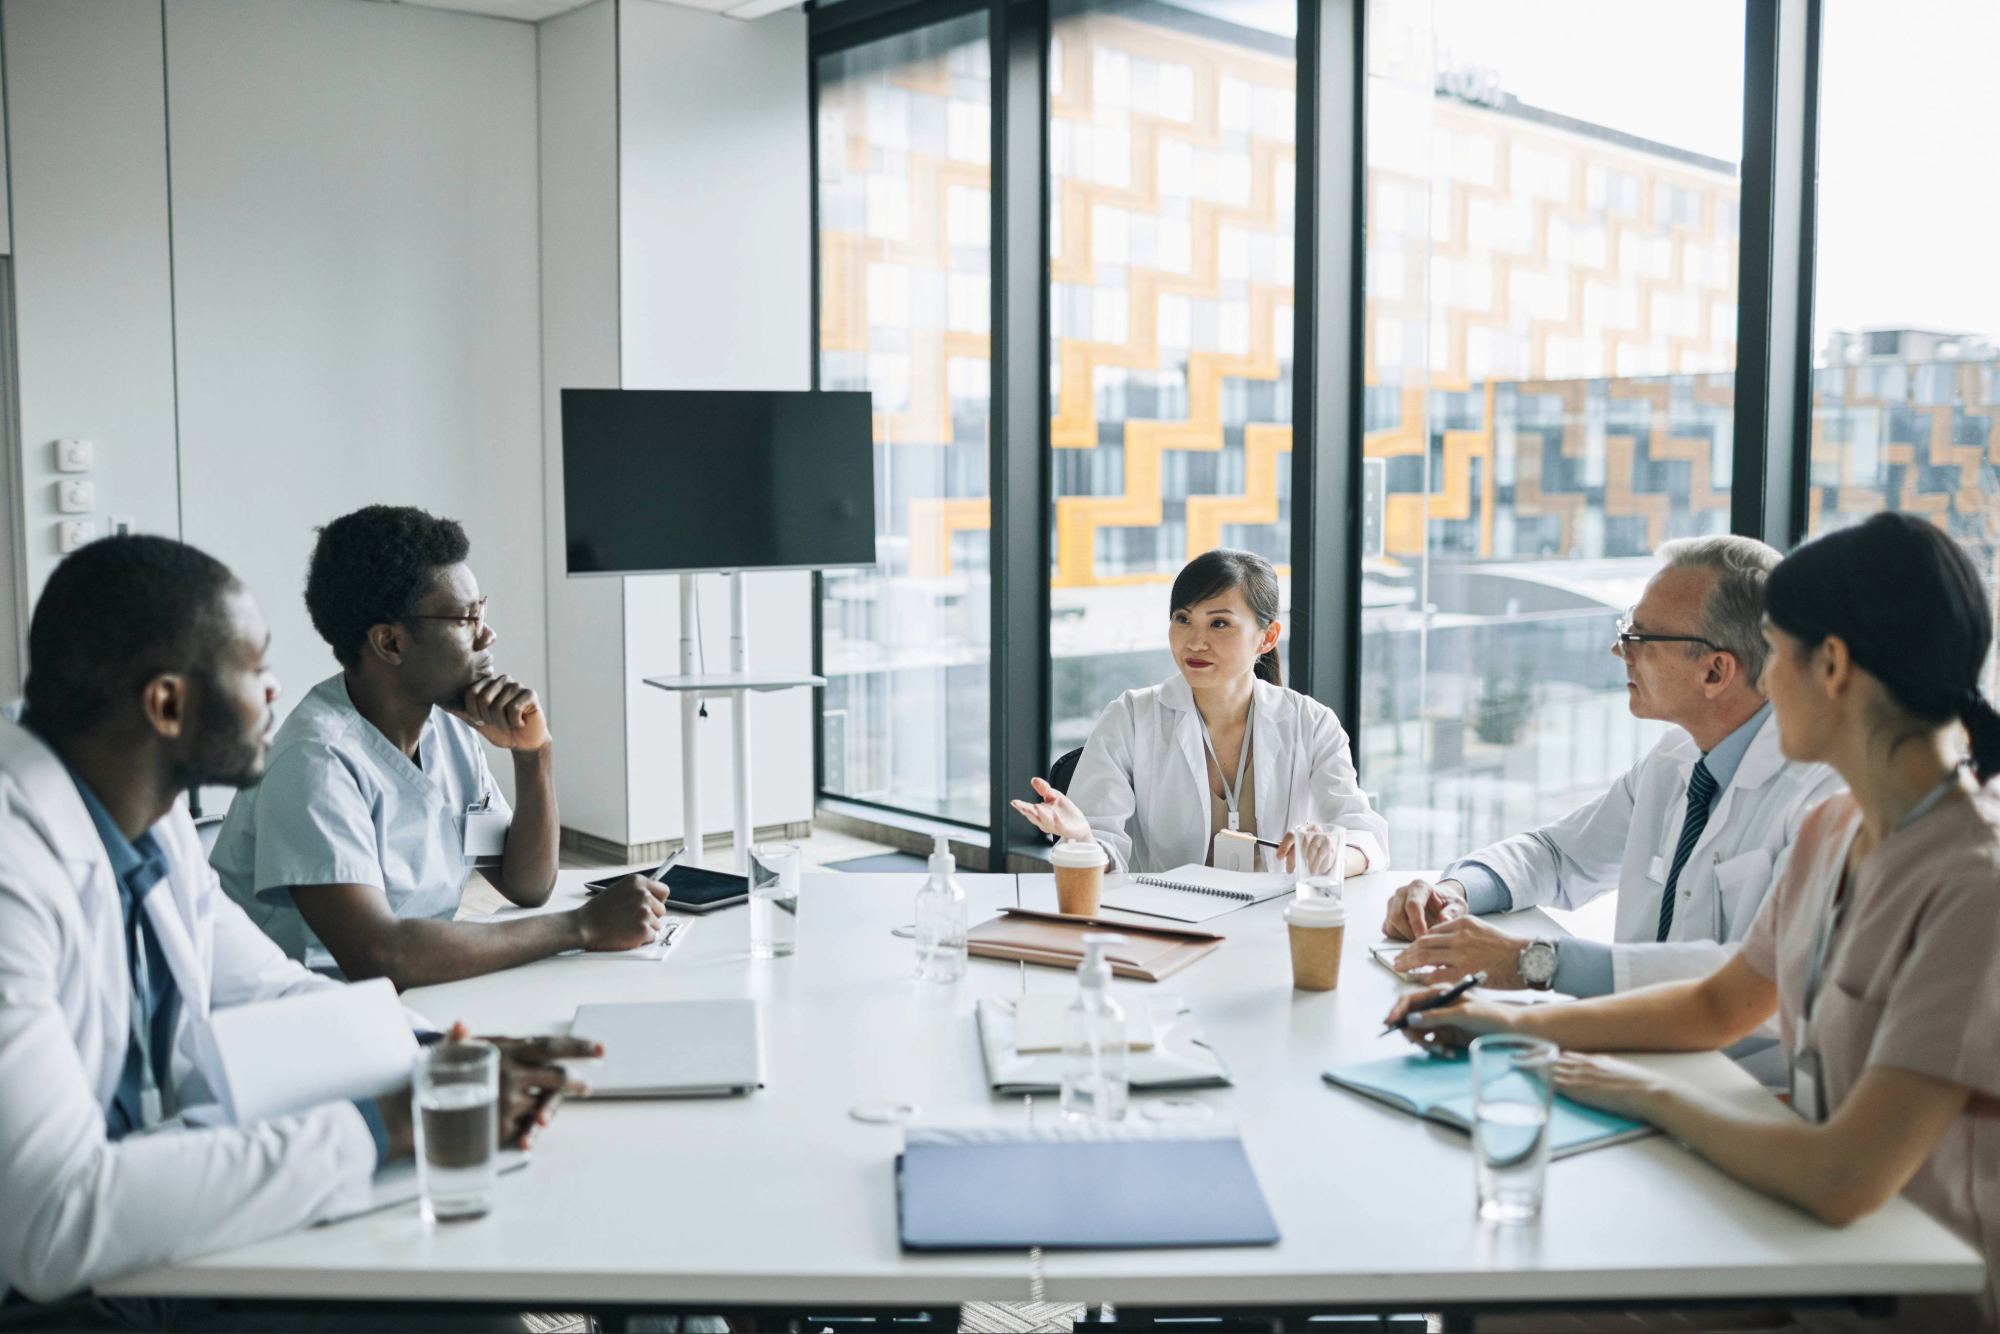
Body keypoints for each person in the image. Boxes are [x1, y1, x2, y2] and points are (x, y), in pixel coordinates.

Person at [1386, 512, 2000, 1330]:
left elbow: (1845, 1177)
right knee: (1516, 1285)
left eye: (1774, 654)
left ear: (1833, 666)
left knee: (1532, 1299)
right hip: (1801, 1239)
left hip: (1904, 1288)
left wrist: (1642, 1093)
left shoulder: (1974, 885)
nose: (1761, 680)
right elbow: (1718, 1005)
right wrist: (1502, 1025)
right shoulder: (1837, 831)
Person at [0, 536, 591, 1317]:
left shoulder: (146, 814)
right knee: (463, 1306)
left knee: (469, 1281)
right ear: (167, 704)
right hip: (51, 1294)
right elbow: (54, 1222)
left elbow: (267, 985)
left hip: (144, 1219)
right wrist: (384, 1125)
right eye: (254, 668)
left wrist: (442, 1061)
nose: (275, 692)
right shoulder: (16, 872)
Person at [1382, 536, 1842, 1011]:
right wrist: (1453, 892)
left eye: (1639, 638)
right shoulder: (1677, 756)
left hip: (1738, 1075)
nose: (1617, 650)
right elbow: (1560, 855)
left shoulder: (1820, 795)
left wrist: (1535, 962)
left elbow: (1752, 983)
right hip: (1630, 1043)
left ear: (1714, 672)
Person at [214, 506, 665, 988]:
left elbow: (526, 884)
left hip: (423, 989)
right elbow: (382, 957)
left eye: (482, 611)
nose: (487, 635)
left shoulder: (444, 726)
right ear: (390, 642)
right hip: (315, 1016)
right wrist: (583, 925)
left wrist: (534, 755)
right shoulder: (316, 761)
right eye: (466, 618)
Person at [1012, 548, 1387, 876]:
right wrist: (1081, 839)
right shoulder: (1130, 717)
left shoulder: (1312, 722)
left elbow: (1362, 834)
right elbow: (1103, 850)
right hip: (1168, 927)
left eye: (1219, 623)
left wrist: (1332, 857)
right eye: (1182, 618)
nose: (1194, 641)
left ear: (1267, 637)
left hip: (1275, 925)